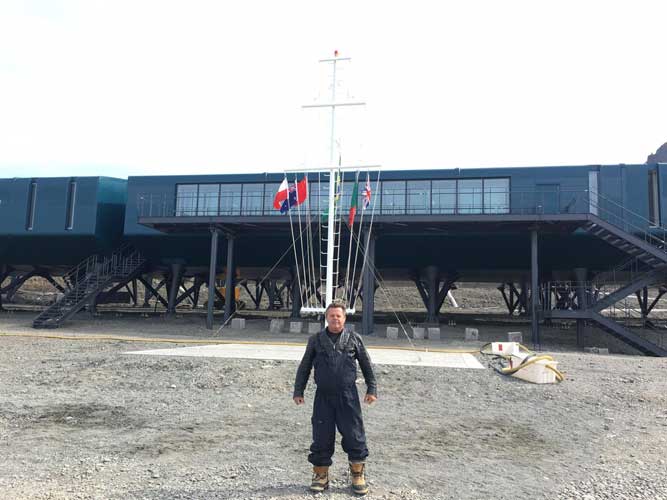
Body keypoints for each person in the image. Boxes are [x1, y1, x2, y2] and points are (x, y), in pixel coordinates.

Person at [293, 301, 377, 496]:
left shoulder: (354, 339)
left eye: (338, 316)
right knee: (321, 436)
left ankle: (357, 475)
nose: (335, 319)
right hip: (323, 397)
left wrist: (372, 388)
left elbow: (366, 365)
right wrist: (299, 390)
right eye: (331, 316)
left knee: (354, 435)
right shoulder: (315, 340)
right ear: (326, 318)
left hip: (348, 397)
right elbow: (305, 366)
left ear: (344, 318)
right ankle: (320, 475)